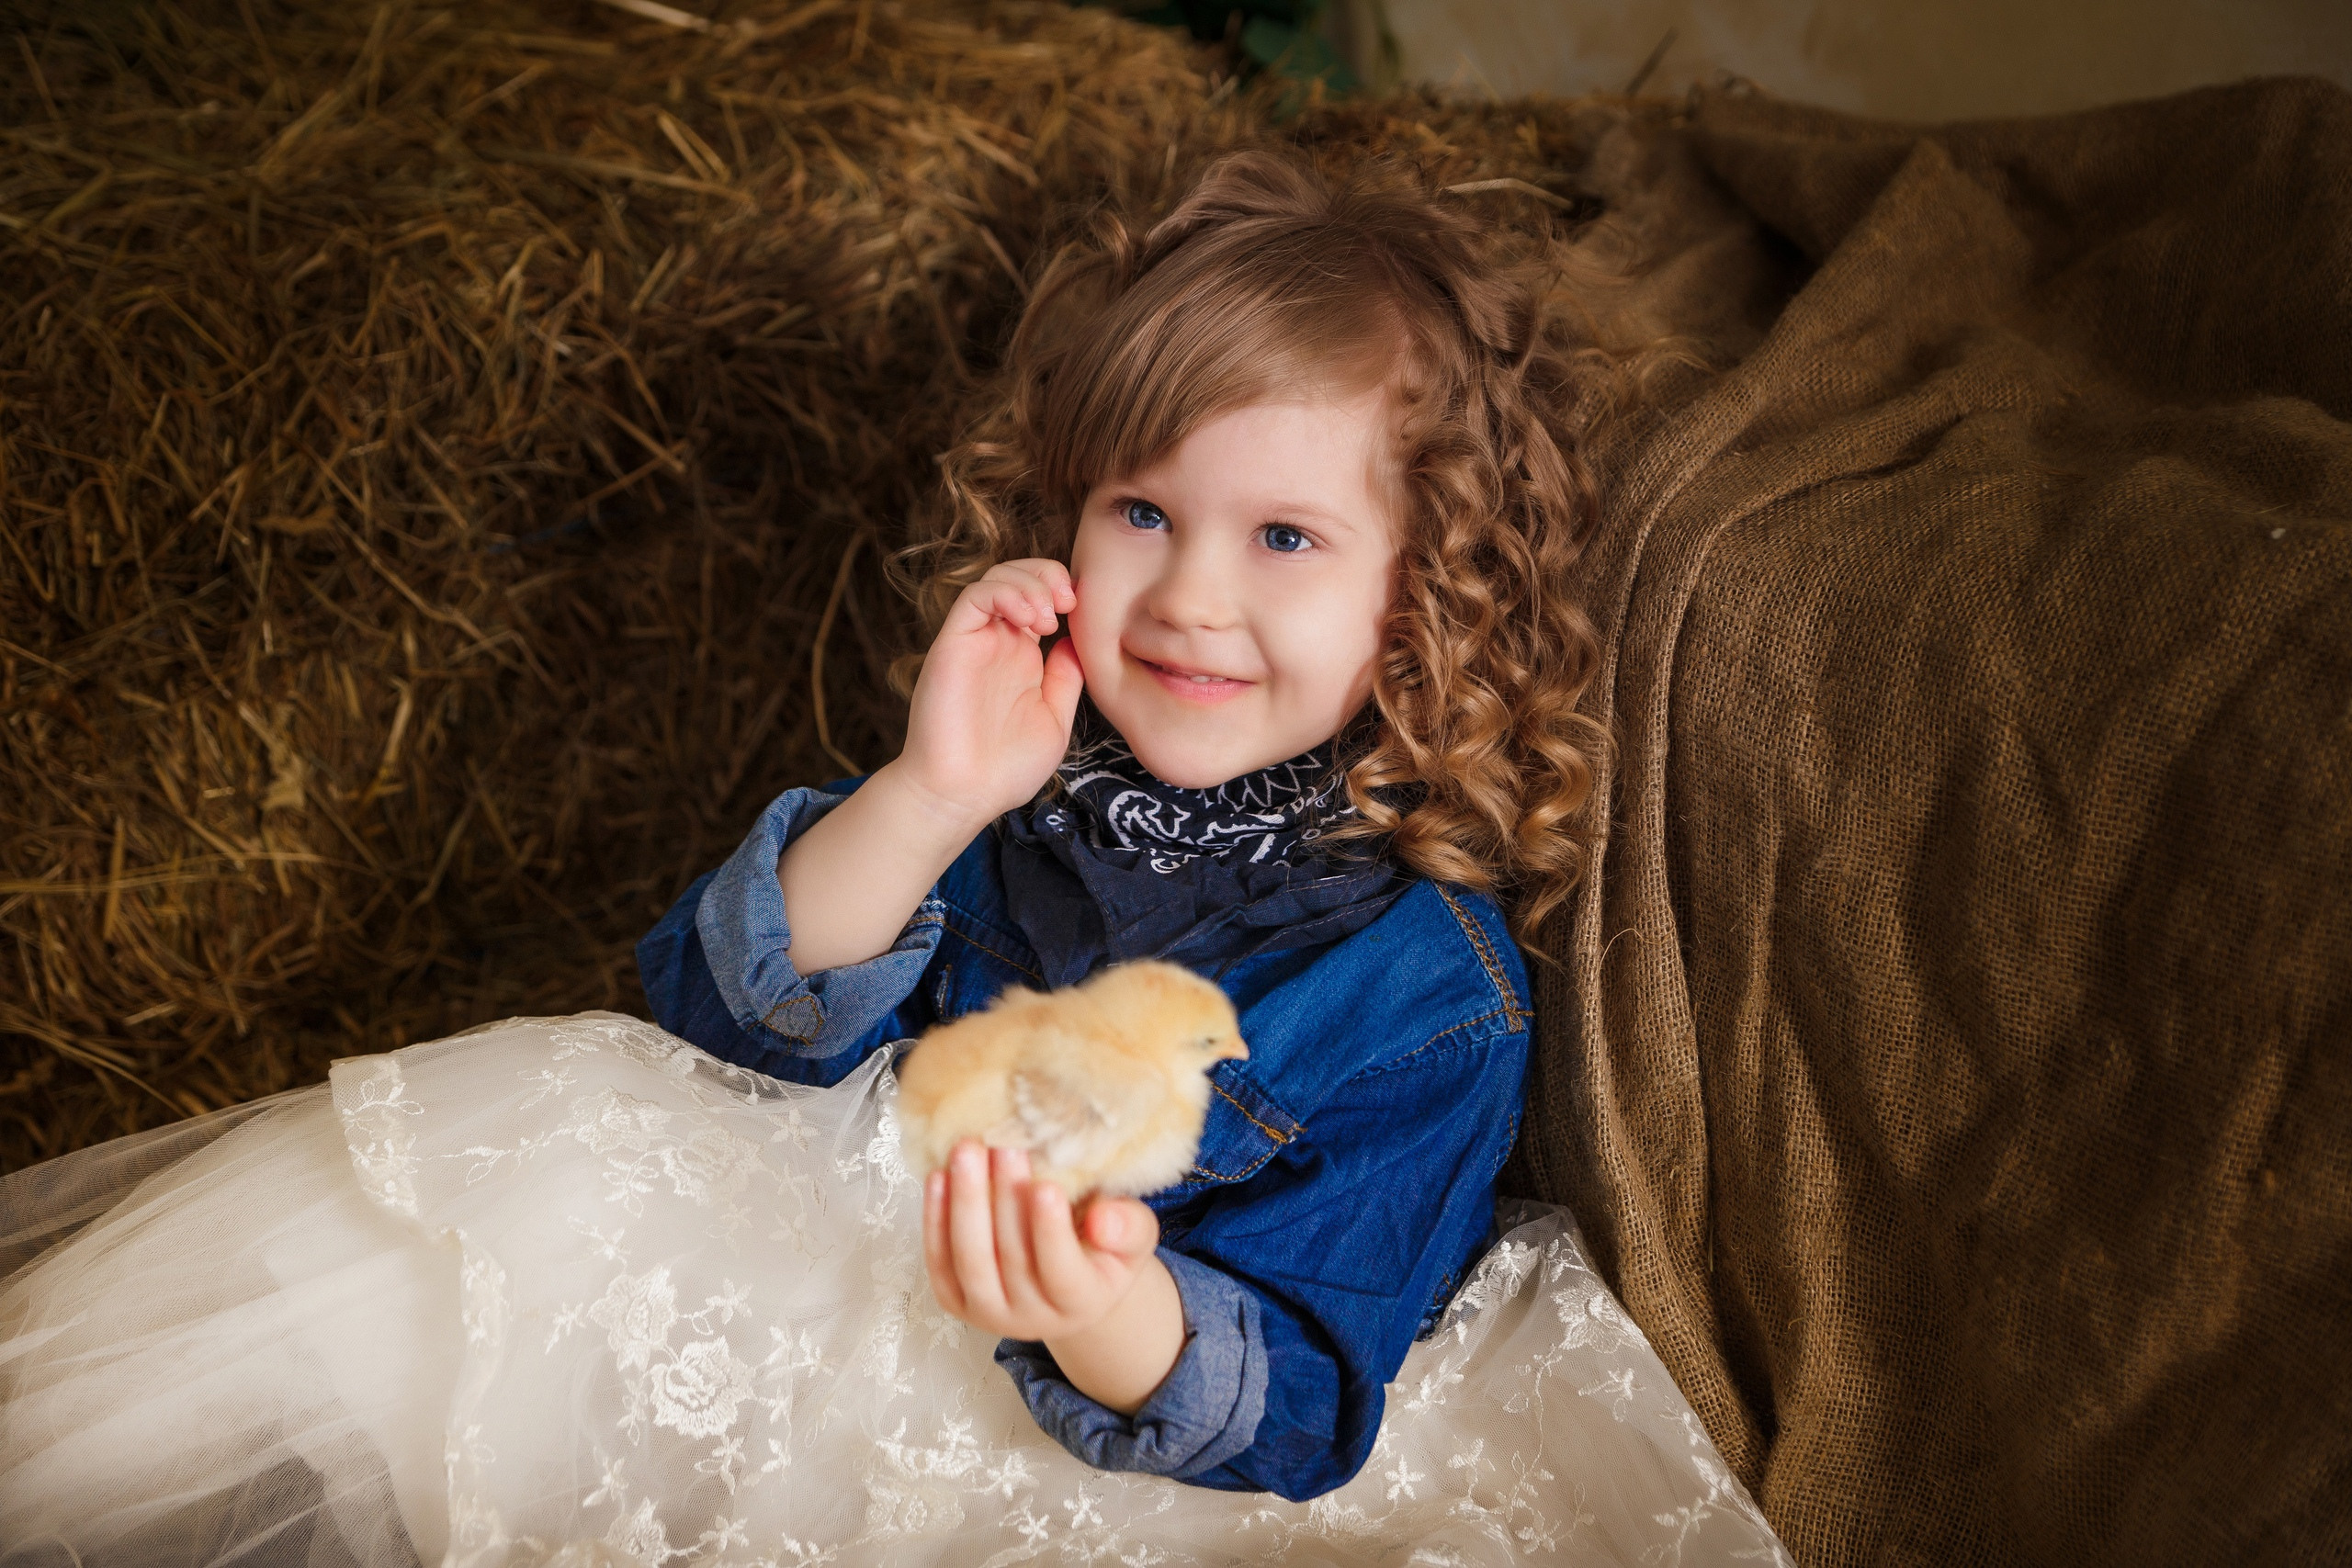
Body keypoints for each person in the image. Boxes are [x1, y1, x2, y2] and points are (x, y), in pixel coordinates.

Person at [0, 152, 1784, 1567]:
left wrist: (1109, 1307)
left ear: (1427, 587)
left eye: (1285, 534)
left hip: (1088, 1428)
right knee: (468, 1253)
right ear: (1068, 508)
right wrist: (932, 789)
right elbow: (724, 1014)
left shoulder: (1422, 986)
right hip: (818, 1243)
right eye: (1141, 509)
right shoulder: (1021, 746)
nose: (1188, 593)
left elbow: (1305, 1391)